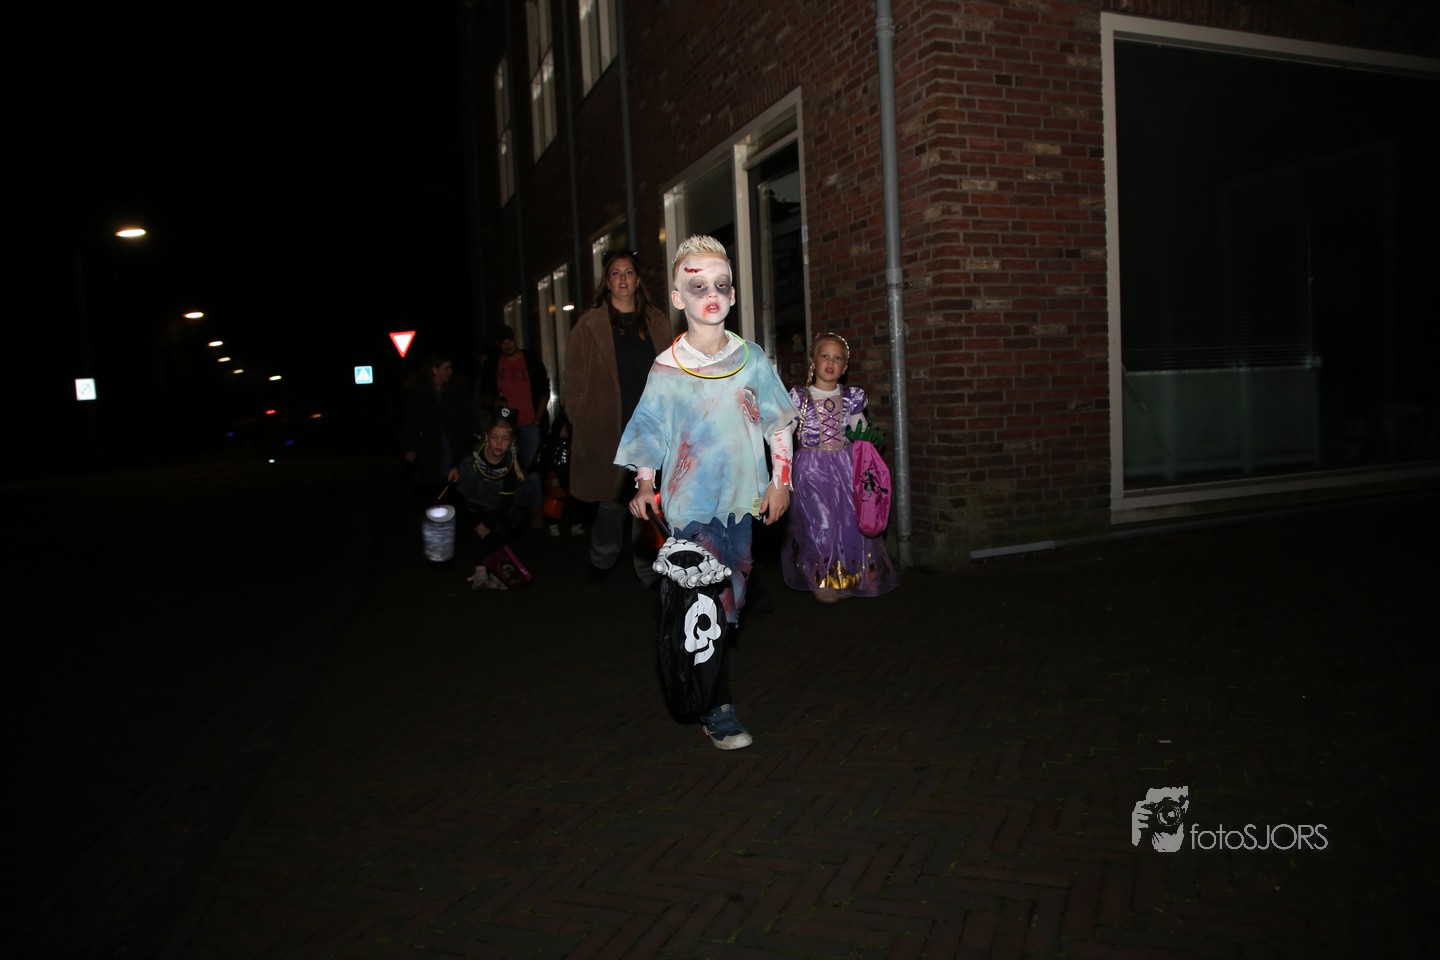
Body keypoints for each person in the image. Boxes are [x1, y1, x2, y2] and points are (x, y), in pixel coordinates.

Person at [617, 235, 798, 750]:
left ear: (734, 294)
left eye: (720, 285)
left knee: (728, 602)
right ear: (679, 297)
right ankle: (717, 707)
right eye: (698, 287)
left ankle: (707, 688)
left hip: (740, 503)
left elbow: (779, 424)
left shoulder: (752, 358)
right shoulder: (667, 368)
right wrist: (645, 482)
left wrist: (781, 481)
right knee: (705, 606)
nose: (710, 295)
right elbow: (650, 429)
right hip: (690, 508)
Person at [562, 251, 672, 583]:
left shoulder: (658, 322)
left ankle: (649, 569)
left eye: (628, 273)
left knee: (650, 499)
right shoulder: (589, 325)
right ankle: (602, 558)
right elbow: (573, 381)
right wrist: (581, 419)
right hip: (608, 428)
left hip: (651, 426)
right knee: (611, 503)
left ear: (637, 281)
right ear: (607, 282)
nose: (623, 278)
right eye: (615, 273)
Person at [781, 333, 899, 602]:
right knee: (819, 522)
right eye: (825, 356)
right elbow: (784, 433)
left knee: (846, 521)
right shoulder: (800, 398)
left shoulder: (851, 397)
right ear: (813, 361)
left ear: (845, 367)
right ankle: (820, 578)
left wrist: (868, 442)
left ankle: (845, 577)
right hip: (811, 468)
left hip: (845, 466)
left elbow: (860, 431)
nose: (830, 362)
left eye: (837, 358)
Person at [479, 326, 550, 528]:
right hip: (505, 426)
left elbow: (544, 389)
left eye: (509, 340)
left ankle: (535, 512)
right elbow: (485, 394)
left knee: (530, 470)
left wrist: (538, 418)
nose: (507, 345)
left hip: (530, 423)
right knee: (506, 470)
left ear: (514, 338)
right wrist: (494, 403)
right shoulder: (493, 363)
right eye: (503, 343)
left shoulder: (531, 359)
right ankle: (511, 513)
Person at [456, 415, 528, 590]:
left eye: (504, 439)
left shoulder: (511, 467)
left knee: (498, 532)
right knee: (475, 528)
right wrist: (454, 468)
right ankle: (480, 570)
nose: (499, 443)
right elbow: (459, 454)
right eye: (494, 437)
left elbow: (506, 502)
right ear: (487, 437)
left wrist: (489, 524)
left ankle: (499, 571)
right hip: (475, 501)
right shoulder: (475, 451)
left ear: (512, 441)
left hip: (499, 507)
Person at [401, 351, 474, 490]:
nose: (450, 371)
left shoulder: (455, 390)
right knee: (434, 482)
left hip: (453, 441)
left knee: (454, 479)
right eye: (446, 368)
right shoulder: (420, 393)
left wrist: (473, 435)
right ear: (435, 370)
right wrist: (409, 447)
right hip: (430, 444)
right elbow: (411, 421)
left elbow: (468, 415)